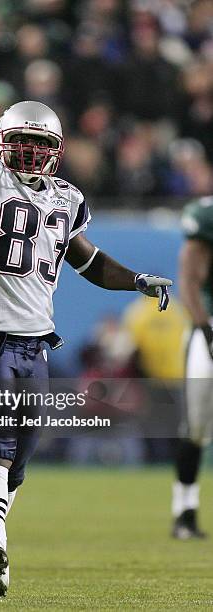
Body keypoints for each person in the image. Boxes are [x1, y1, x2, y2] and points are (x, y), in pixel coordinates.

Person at [0, 28, 172, 599]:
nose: (31, 153)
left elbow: (87, 262)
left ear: (56, 150)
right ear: (2, 143)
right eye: (20, 142)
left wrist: (135, 279)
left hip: (36, 350)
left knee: (14, 472)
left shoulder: (66, 199)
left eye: (41, 144)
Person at [171, 196, 213, 539]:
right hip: (209, 326)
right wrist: (204, 326)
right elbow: (189, 277)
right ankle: (184, 509)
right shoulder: (205, 217)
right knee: (197, 424)